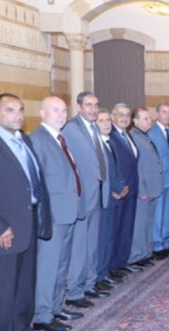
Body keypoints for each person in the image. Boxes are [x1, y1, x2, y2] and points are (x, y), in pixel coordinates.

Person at [0, 93, 52, 331]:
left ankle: (21, 328)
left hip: (28, 221)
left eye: (21, 110)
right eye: (10, 110)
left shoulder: (23, 139)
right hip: (3, 229)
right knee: (1, 288)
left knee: (24, 282)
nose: (17, 115)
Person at [29, 96, 84, 331]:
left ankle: (55, 307)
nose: (61, 115)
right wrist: (45, 214)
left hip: (68, 211)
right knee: (48, 267)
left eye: (63, 110)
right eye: (55, 110)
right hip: (53, 216)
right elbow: (36, 182)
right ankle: (42, 315)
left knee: (62, 264)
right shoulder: (38, 139)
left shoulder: (60, 138)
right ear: (42, 113)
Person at [61, 91, 110, 308]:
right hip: (81, 198)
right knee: (79, 248)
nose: (93, 109)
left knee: (92, 245)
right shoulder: (71, 128)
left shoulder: (94, 128)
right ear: (79, 107)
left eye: (96, 105)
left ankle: (90, 283)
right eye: (88, 105)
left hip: (97, 195)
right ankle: (74, 291)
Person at [94, 109, 129, 293]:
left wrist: (121, 187)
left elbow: (117, 168)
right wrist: (114, 190)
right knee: (102, 239)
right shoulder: (96, 145)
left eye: (108, 120)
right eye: (101, 121)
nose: (106, 124)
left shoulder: (111, 142)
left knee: (110, 237)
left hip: (115, 196)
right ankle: (98, 275)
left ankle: (105, 271)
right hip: (104, 198)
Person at [128, 107, 163, 268]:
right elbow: (137, 167)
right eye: (145, 118)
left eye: (149, 118)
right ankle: (136, 255)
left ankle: (145, 252)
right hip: (144, 191)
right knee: (139, 225)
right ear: (135, 121)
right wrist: (142, 190)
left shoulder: (145, 136)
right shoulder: (134, 137)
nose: (149, 121)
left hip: (152, 188)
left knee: (148, 223)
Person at [109, 104, 140, 275]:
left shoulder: (128, 135)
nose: (124, 117)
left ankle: (122, 261)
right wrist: (118, 187)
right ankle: (112, 265)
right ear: (113, 117)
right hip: (119, 191)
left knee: (127, 227)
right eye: (120, 114)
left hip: (132, 189)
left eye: (127, 114)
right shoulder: (110, 136)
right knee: (116, 229)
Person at [147, 103, 169, 259]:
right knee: (158, 214)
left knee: (166, 214)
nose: (167, 115)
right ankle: (157, 245)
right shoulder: (151, 132)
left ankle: (165, 242)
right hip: (158, 180)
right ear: (157, 114)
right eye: (164, 112)